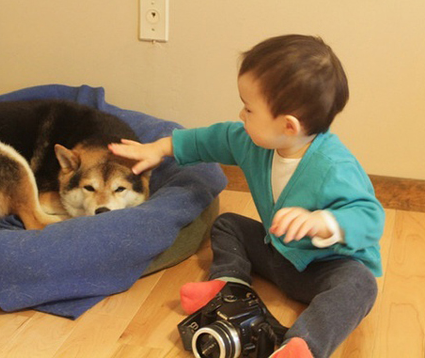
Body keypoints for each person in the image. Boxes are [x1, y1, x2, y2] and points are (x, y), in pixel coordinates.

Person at [109, 34, 385, 358]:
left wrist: (322, 222)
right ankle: (230, 285)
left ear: (288, 125)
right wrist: (161, 148)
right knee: (228, 224)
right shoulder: (254, 141)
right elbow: (213, 138)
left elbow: (370, 217)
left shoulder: (335, 166)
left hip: (323, 268)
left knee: (360, 286)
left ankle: (302, 345)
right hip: (275, 253)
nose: (241, 114)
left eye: (249, 108)